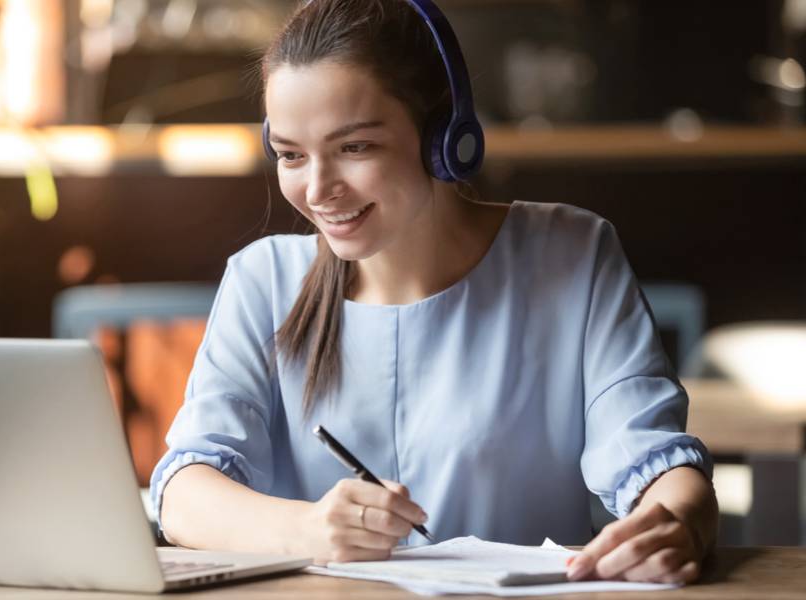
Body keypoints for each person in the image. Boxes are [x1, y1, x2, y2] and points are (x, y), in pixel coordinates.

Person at [151, 0, 718, 584]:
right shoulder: (262, 279)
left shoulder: (571, 254)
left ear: (444, 137)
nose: (318, 190)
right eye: (291, 155)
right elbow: (183, 494)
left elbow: (651, 457)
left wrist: (678, 521)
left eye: (354, 148)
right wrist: (311, 529)